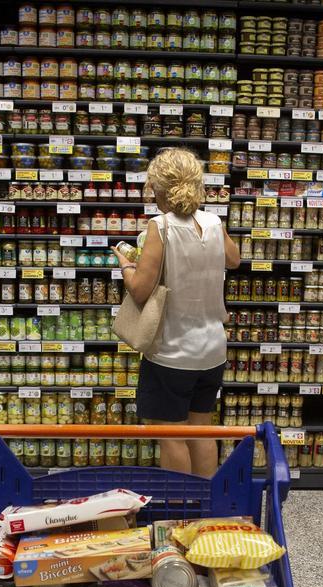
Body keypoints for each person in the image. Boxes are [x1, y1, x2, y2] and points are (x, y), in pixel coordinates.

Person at [112, 148, 241, 477]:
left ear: (159, 187)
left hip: (172, 352)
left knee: (172, 437)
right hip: (212, 350)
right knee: (201, 432)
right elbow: (234, 259)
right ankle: (206, 504)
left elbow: (140, 290)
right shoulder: (213, 221)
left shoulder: (161, 226)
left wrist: (126, 265)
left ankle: (180, 504)